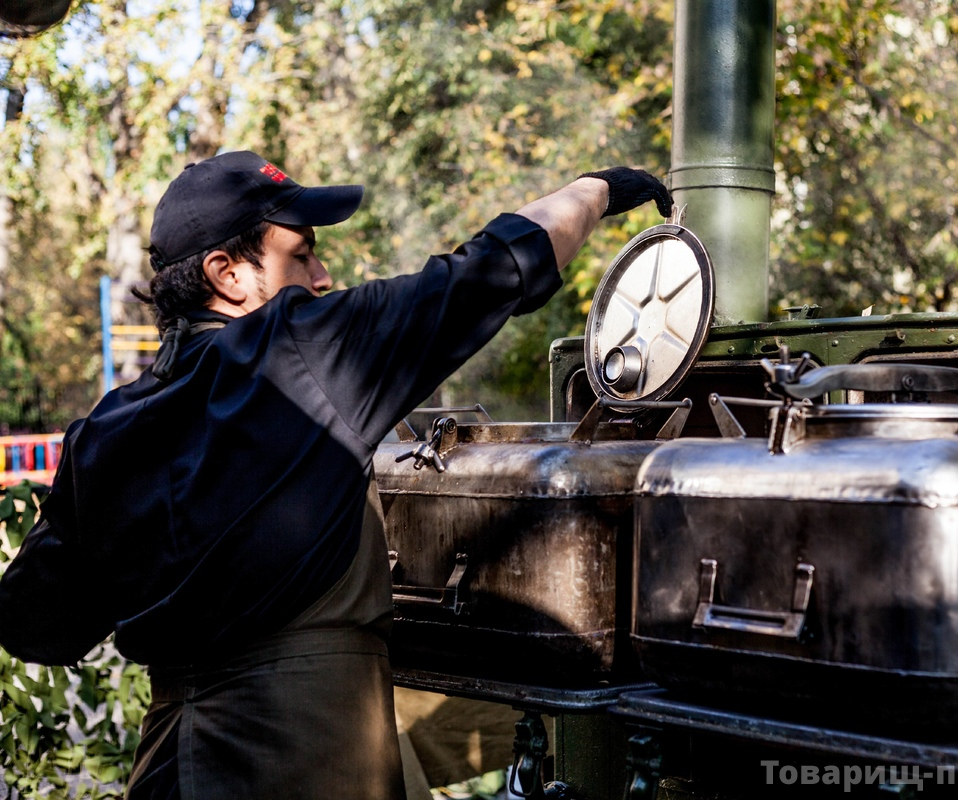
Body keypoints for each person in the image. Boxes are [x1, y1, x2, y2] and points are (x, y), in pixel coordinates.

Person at [0, 150, 671, 799]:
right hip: (303, 763)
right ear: (227, 272)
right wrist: (598, 190)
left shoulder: (104, 431)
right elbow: (486, 273)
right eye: (302, 254)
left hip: (167, 762)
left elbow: (37, 624)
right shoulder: (301, 347)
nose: (321, 277)